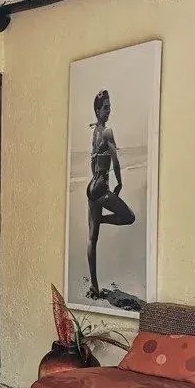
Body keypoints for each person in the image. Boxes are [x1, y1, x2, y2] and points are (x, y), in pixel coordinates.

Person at [86, 90, 135, 300]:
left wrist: (96, 180)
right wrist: (120, 183)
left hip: (91, 188)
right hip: (101, 189)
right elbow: (115, 162)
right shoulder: (107, 132)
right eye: (105, 107)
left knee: (92, 238)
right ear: (98, 110)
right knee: (129, 216)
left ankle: (94, 286)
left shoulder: (94, 131)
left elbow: (92, 161)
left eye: (110, 107)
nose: (109, 110)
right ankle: (102, 220)